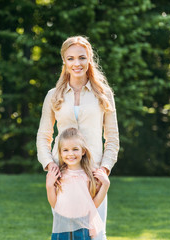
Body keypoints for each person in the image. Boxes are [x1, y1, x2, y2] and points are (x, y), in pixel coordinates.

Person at [37, 35, 119, 240]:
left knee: (96, 234)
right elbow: (43, 136)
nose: (77, 63)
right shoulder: (53, 95)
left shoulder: (104, 94)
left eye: (82, 58)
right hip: (63, 177)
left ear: (89, 59)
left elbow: (112, 137)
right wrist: (49, 166)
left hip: (93, 176)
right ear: (64, 61)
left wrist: (104, 169)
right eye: (71, 58)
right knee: (66, 235)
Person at [46, 128, 110, 240]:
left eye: (75, 149)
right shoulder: (58, 175)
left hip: (83, 229)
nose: (70, 154)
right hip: (61, 227)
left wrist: (105, 185)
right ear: (60, 153)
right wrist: (49, 186)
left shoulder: (90, 175)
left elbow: (93, 205)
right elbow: (55, 205)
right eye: (65, 150)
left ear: (83, 151)